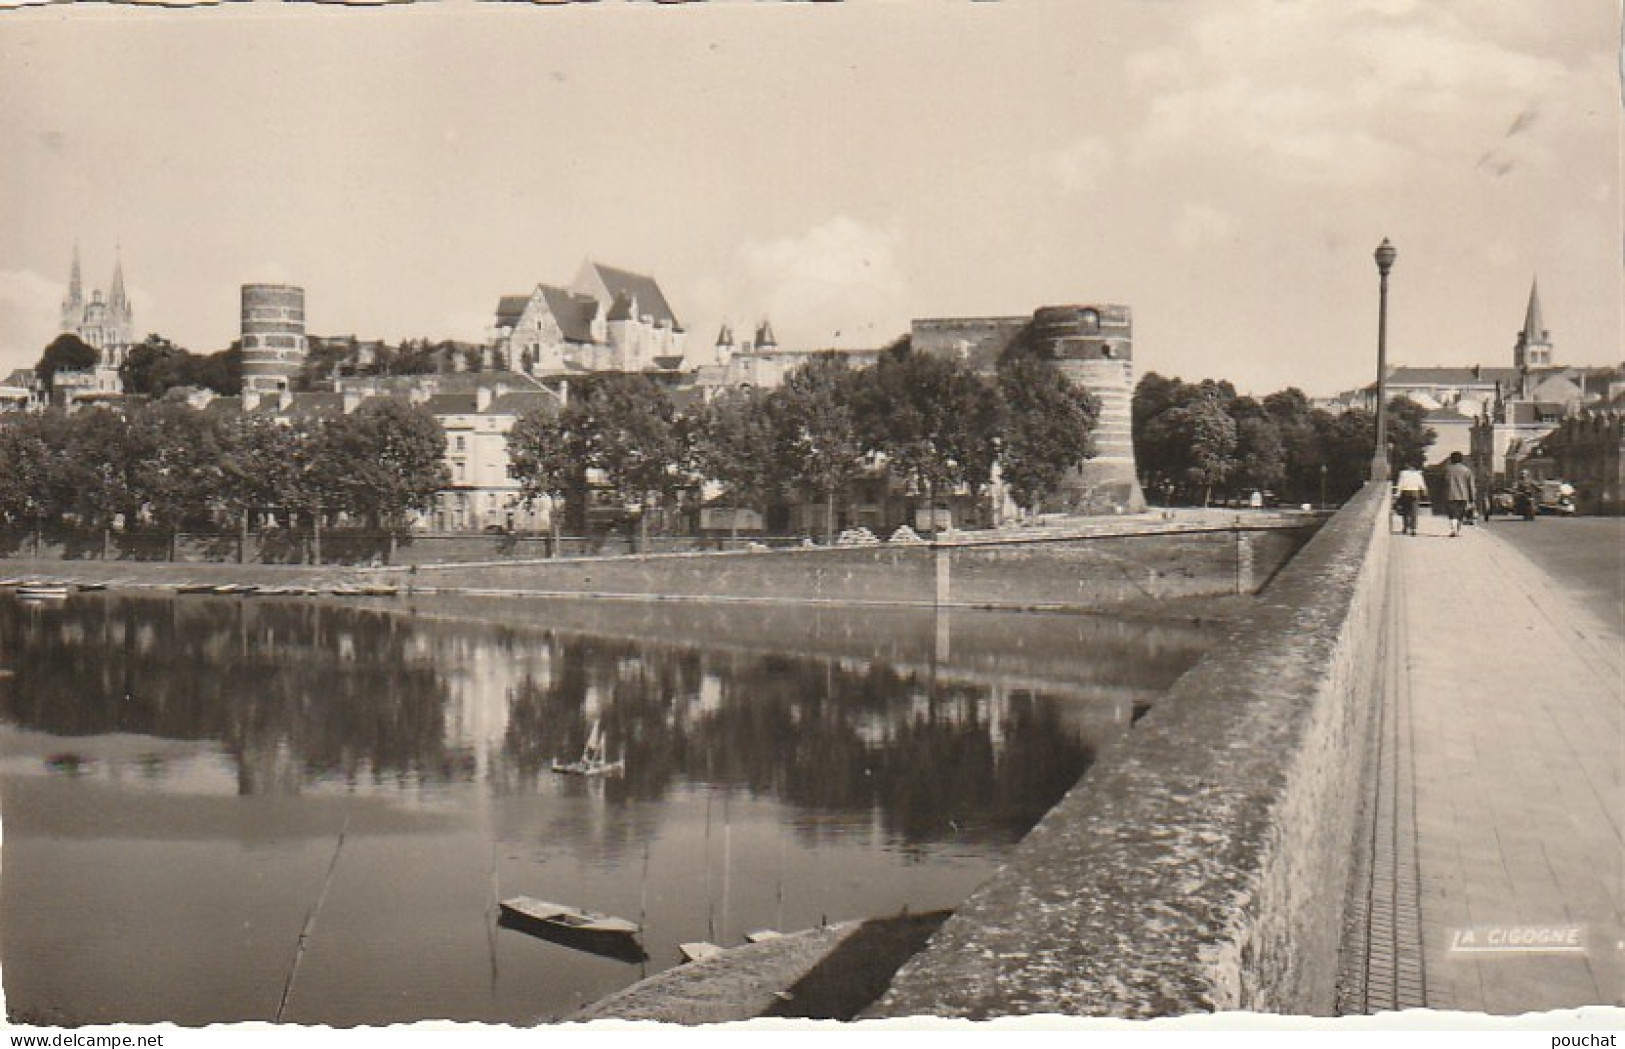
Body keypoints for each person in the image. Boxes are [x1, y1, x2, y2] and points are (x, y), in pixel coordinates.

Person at [1443, 451, 1476, 536]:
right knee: (1460, 514)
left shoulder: (1447, 470)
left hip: (1450, 494)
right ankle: (1457, 529)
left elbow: (1444, 482)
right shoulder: (1467, 470)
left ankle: (1454, 530)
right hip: (1463, 495)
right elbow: (1471, 485)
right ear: (1461, 459)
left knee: (1452, 514)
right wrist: (1472, 498)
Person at [1394, 459, 1427, 536]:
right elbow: (1422, 485)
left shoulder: (1403, 473)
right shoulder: (1418, 474)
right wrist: (1424, 493)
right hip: (1415, 492)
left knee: (1405, 511)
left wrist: (1397, 495)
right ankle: (1413, 529)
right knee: (1414, 511)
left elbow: (1400, 484)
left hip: (1405, 492)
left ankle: (1405, 527)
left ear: (1408, 465)